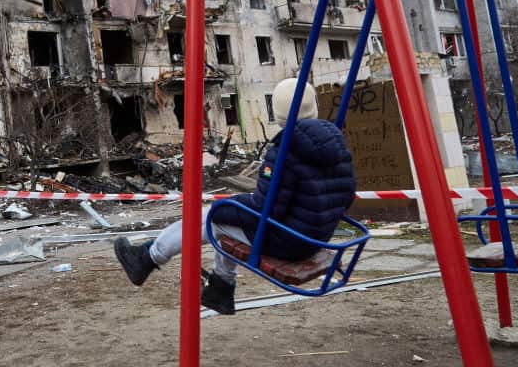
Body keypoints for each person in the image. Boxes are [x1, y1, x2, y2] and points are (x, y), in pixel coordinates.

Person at [114, 78, 356, 314]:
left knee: (213, 218)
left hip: (290, 243)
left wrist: (229, 204)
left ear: (277, 111)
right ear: (314, 106)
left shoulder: (285, 151)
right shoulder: (336, 143)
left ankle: (147, 258)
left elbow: (265, 210)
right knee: (229, 221)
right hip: (315, 237)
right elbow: (347, 196)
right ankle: (220, 288)